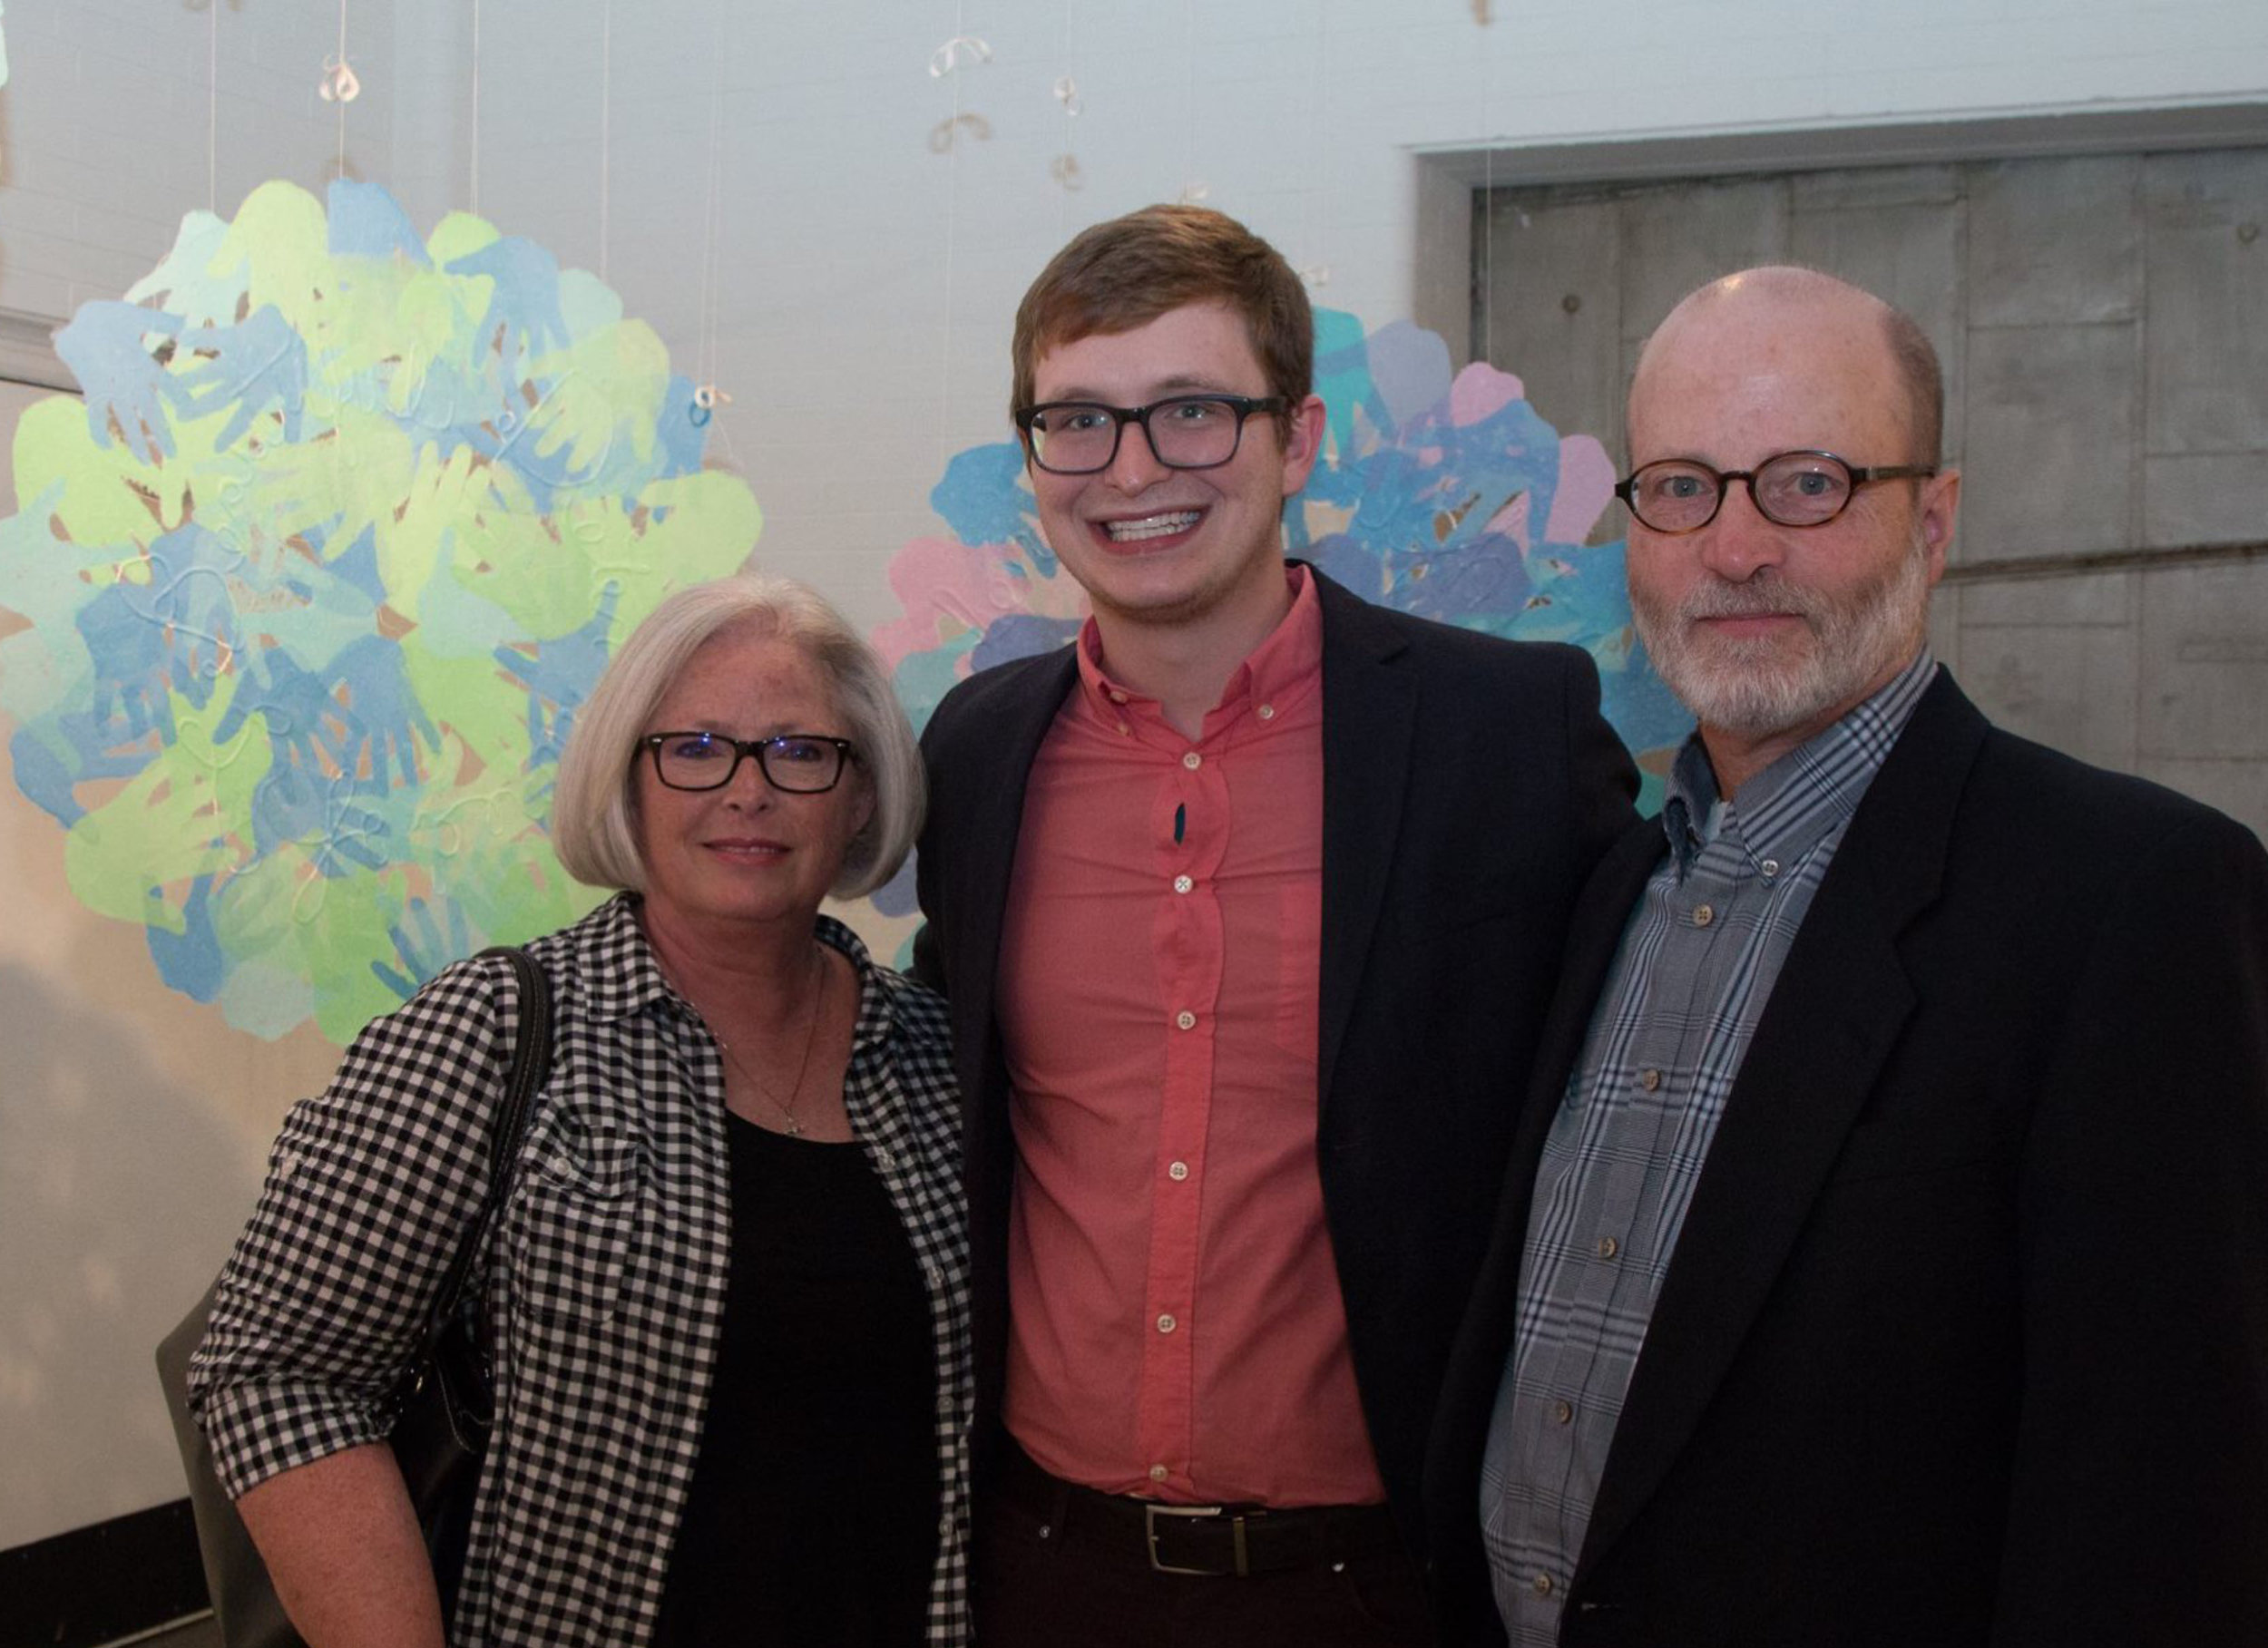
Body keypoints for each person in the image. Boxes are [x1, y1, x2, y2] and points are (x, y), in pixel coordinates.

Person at [1428, 266, 2268, 1646]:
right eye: (1685, 485)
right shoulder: (1616, 884)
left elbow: (2164, 1500)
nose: (1738, 547)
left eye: (1808, 483)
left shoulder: (2132, 898)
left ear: (1934, 521)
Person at [912, 203, 1639, 1645]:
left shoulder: (1508, 735)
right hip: (1046, 1571)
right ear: (1032, 458)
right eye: (1079, 421)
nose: (1132, 471)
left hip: (1384, 1587)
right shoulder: (979, 755)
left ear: (1296, 440)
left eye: (1191, 412)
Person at [191, 574, 972, 1646]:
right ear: (628, 777)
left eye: (800, 752)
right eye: (695, 746)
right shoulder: (494, 1033)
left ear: (862, 797)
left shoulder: (934, 1059)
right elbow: (274, 1369)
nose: (748, 790)